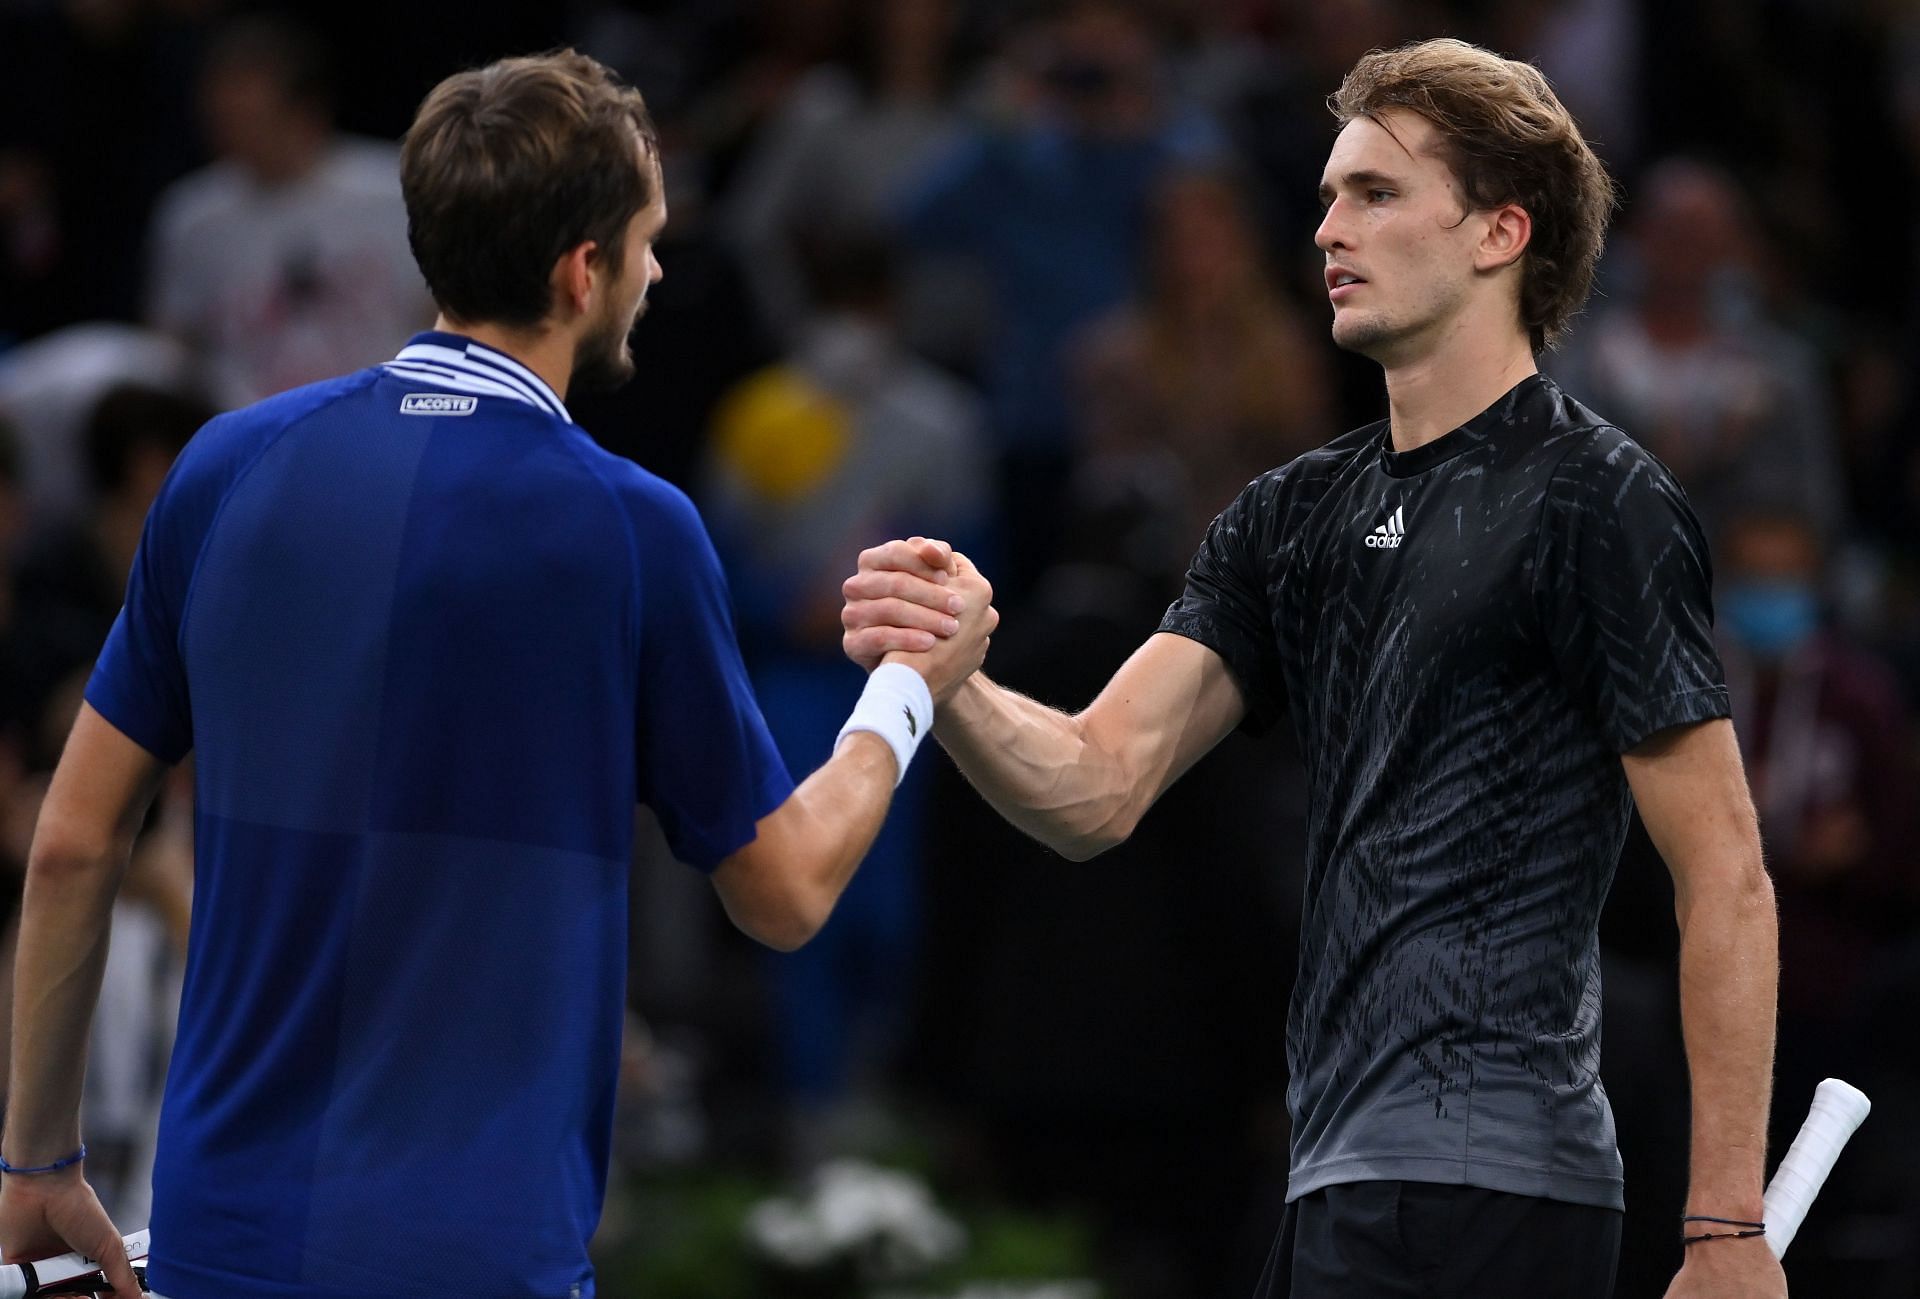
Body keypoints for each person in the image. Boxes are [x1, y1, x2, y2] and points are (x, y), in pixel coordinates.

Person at [0, 49, 993, 1299]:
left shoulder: (223, 470)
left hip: (220, 1246)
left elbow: (72, 844)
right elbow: (785, 892)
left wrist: (34, 1162)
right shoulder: (632, 530)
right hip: (475, 1263)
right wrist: (910, 686)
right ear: (584, 272)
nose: (659, 271)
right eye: (647, 242)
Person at [843, 38, 1784, 1299]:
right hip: (1330, 1176)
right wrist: (958, 681)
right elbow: (1095, 784)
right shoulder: (1288, 518)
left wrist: (1726, 1228)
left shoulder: (1596, 497)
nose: (1328, 226)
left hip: (1499, 1189)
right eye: (1332, 192)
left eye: (1378, 194)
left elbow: (1724, 873)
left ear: (1501, 233)